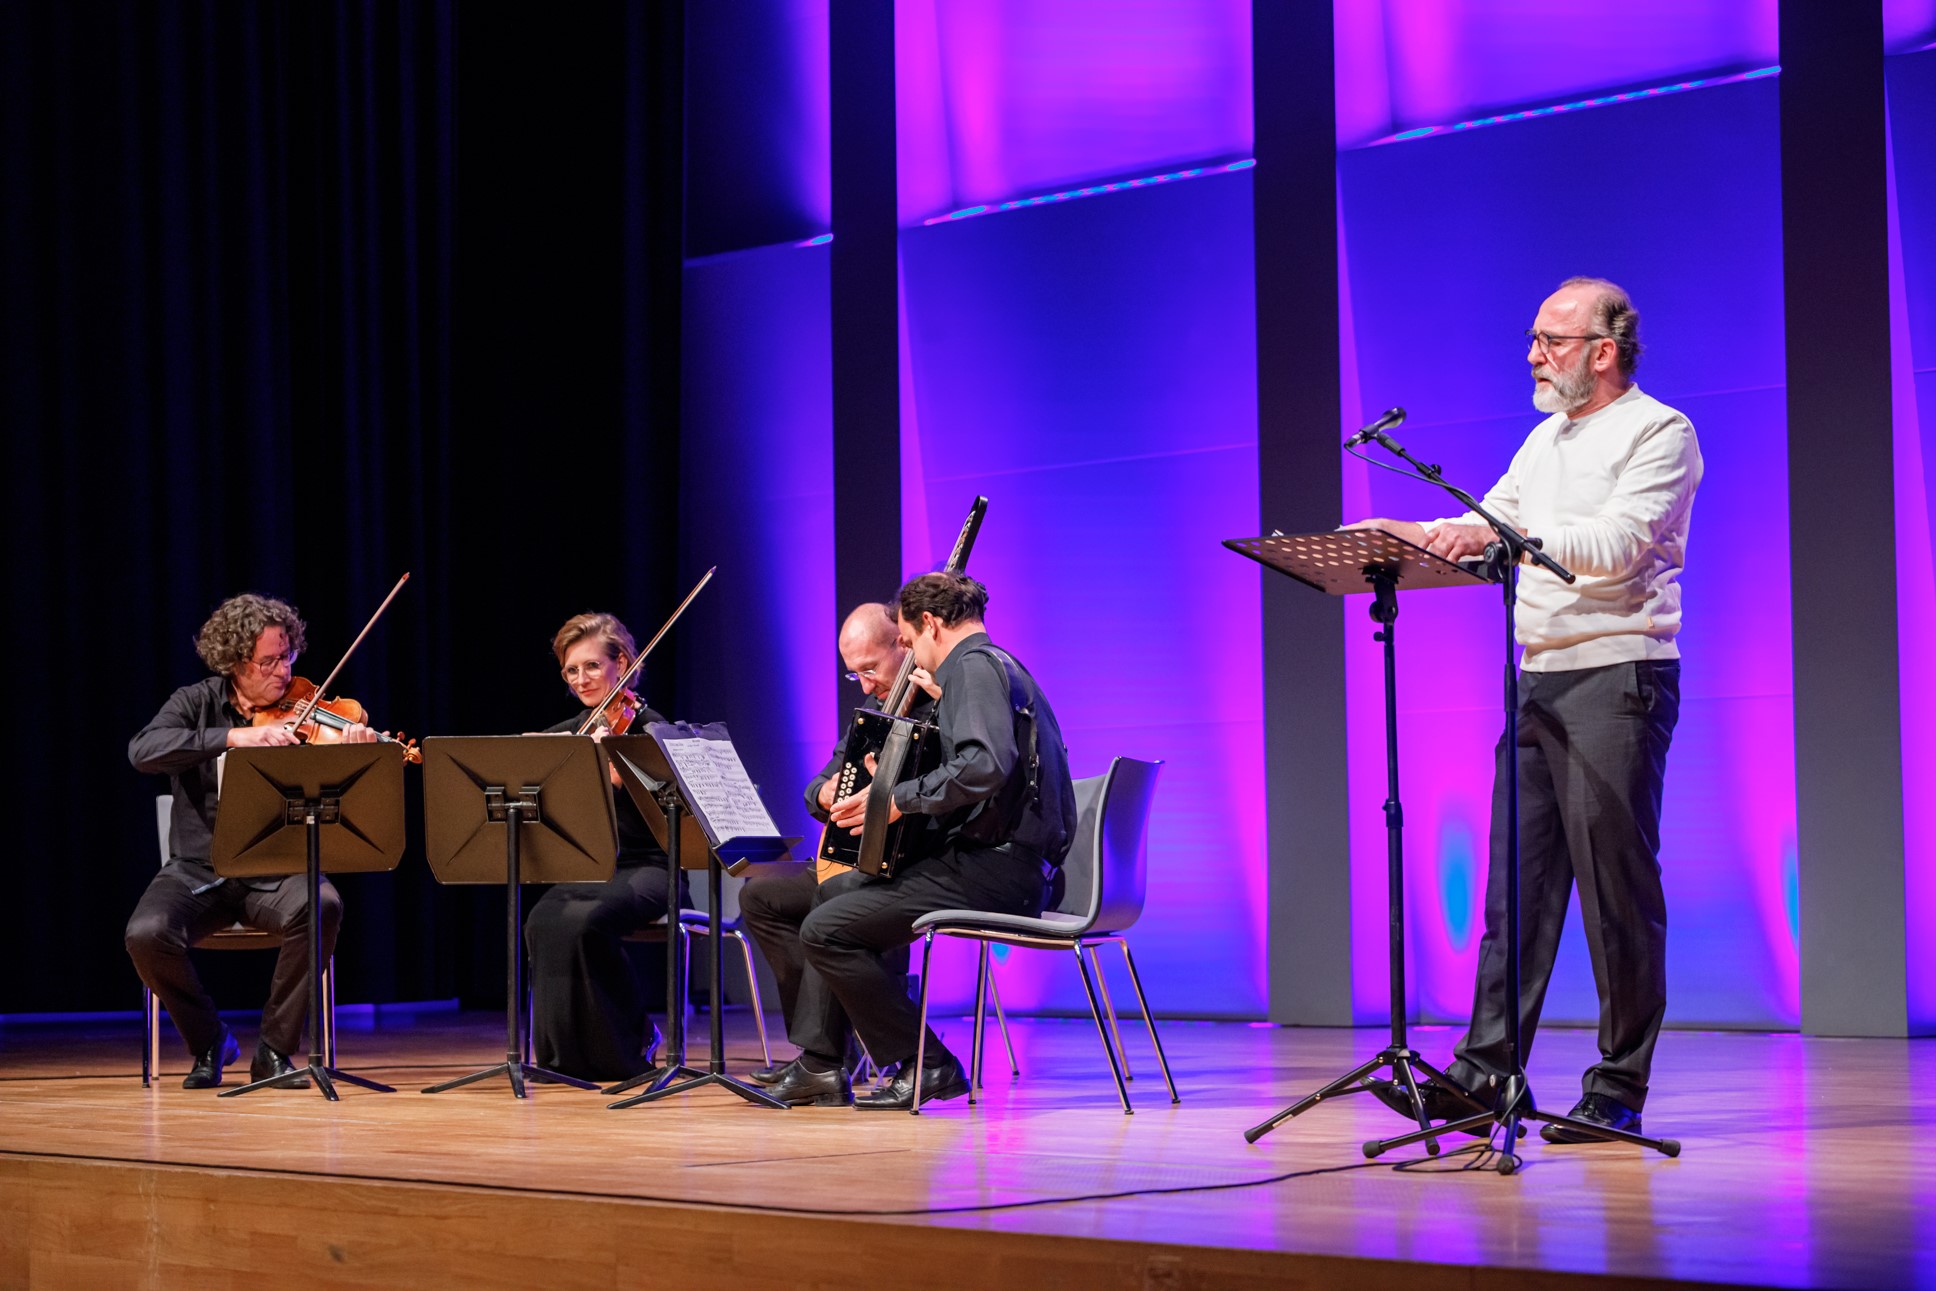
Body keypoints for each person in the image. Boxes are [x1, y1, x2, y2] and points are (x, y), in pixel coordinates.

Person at [1354, 276, 1702, 1141]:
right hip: (1538, 679)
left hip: (1618, 676)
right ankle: (1484, 1075)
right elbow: (1493, 522)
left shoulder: (1659, 431)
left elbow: (1617, 549)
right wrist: (1420, 537)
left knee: (1614, 890)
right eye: (1534, 337)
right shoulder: (1544, 439)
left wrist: (1500, 537)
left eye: (1551, 338)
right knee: (1518, 890)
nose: (1533, 352)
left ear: (1604, 351)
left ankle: (1618, 1085)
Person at [764, 572, 1077, 1110]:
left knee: (826, 928)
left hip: (998, 870)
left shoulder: (973, 668)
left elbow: (983, 765)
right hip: (997, 864)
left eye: (906, 642)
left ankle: (928, 1063)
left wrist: (896, 797)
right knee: (833, 901)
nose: (910, 656)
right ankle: (831, 1062)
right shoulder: (991, 665)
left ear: (929, 624)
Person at [127, 593, 377, 1089]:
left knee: (322, 904)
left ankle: (274, 1051)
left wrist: (360, 754)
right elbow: (142, 750)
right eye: (268, 661)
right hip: (198, 867)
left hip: (278, 867)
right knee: (145, 934)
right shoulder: (194, 702)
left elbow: (350, 793)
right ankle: (209, 1040)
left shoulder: (307, 715)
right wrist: (233, 738)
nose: (282, 672)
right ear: (236, 661)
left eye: (287, 656)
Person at [737, 602, 937, 1086]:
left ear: (903, 645)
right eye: (855, 675)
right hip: (848, 862)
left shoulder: (940, 704)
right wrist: (823, 793)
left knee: (834, 905)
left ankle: (820, 1059)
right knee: (759, 896)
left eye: (871, 669)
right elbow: (820, 783)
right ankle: (827, 1049)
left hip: (906, 868)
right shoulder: (871, 716)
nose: (866, 685)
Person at [522, 612, 685, 1083]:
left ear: (624, 665)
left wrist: (624, 775)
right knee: (541, 920)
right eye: (571, 671)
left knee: (587, 922)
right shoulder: (572, 734)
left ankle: (631, 1039)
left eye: (592, 666)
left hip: (651, 867)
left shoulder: (651, 729)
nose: (581, 680)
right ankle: (563, 1057)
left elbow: (673, 811)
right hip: (592, 866)